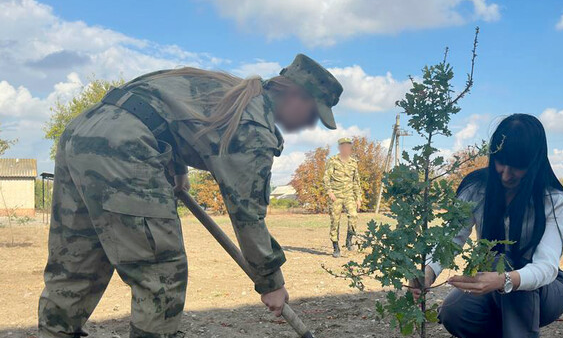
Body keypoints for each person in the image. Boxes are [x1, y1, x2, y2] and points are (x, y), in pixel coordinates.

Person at [38, 54, 343, 338]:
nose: (309, 124)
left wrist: (178, 169)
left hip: (84, 131)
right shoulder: (254, 127)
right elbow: (247, 214)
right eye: (313, 113)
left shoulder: (230, 89)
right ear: (296, 95)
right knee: (161, 278)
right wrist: (271, 283)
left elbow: (156, 106)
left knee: (75, 265)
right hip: (127, 147)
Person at [411, 114, 563, 338]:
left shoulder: (554, 200)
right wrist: (428, 272)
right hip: (491, 284)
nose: (506, 175)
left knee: (505, 267)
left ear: (534, 163)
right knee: (454, 312)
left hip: (545, 291)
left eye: (517, 167)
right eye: (500, 162)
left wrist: (504, 280)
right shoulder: (476, 189)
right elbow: (451, 239)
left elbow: (546, 268)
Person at [323, 137, 362, 257]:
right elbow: (326, 178)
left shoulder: (353, 162)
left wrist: (358, 197)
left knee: (353, 217)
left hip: (349, 194)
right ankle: (336, 247)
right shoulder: (333, 160)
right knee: (335, 221)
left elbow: (356, 181)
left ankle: (349, 240)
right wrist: (330, 192)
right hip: (336, 195)